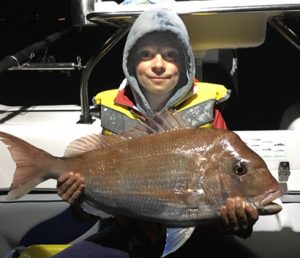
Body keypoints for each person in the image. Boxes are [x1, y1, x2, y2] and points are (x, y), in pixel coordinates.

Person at [54, 8, 259, 258]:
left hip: (199, 240)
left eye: (171, 55)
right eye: (146, 54)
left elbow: (225, 198)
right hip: (127, 239)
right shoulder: (115, 115)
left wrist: (241, 222)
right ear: (130, 62)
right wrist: (78, 201)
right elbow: (95, 206)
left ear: (185, 64)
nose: (158, 65)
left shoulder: (211, 120)